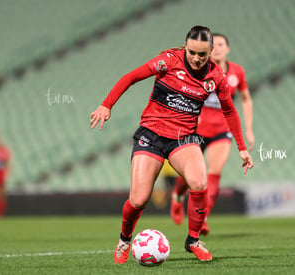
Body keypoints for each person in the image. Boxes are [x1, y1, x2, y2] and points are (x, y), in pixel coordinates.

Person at [90, 25, 254, 263]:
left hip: (184, 137)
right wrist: (107, 105)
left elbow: (229, 110)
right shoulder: (168, 60)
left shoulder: (215, 76)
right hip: (152, 134)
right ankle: (125, 239)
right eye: (192, 52)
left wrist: (241, 148)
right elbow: (131, 77)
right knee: (138, 200)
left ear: (210, 53)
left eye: (202, 54)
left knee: (199, 182)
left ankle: (193, 240)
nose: (196, 59)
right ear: (185, 47)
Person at [170, 33, 254, 235]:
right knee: (189, 174)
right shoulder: (196, 69)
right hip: (195, 129)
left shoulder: (237, 73)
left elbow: (245, 99)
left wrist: (248, 130)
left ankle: (202, 217)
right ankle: (177, 197)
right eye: (213, 45)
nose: (216, 48)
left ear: (228, 49)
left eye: (220, 44)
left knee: (214, 173)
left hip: (221, 131)